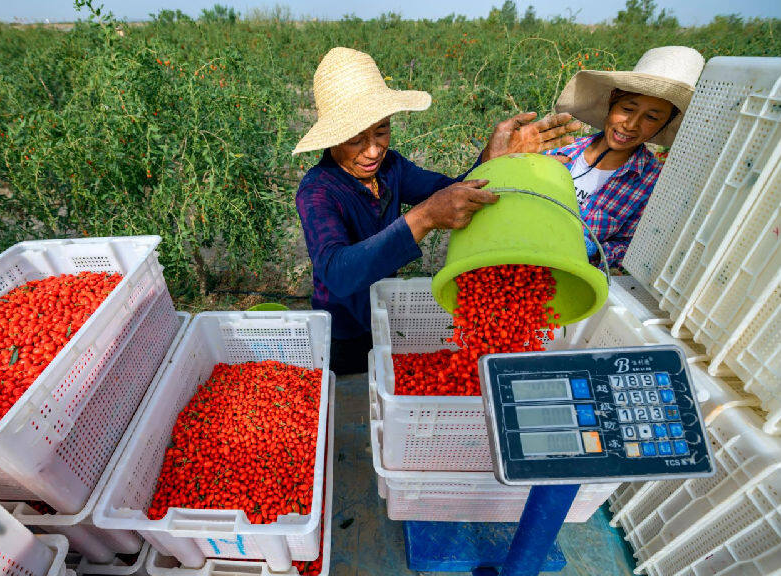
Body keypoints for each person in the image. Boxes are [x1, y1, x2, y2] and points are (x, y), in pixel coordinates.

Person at [293, 47, 581, 375]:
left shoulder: (391, 168)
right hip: (343, 329)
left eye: (382, 130)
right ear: (331, 139)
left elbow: (448, 192)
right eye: (356, 139)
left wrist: (493, 158)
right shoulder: (318, 190)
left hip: (382, 311)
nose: (373, 150)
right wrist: (424, 217)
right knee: (355, 387)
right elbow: (338, 273)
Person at [546, 46, 705, 270]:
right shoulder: (562, 151)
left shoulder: (652, 184)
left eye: (651, 117)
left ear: (666, 123)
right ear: (613, 101)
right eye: (628, 109)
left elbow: (629, 246)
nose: (631, 125)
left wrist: (594, 251)